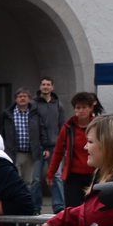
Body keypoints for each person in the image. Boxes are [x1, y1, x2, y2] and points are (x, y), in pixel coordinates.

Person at [0, 88, 54, 213]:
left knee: (30, 182)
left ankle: (29, 206)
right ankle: (16, 207)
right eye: (19, 96)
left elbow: (42, 131)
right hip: (14, 153)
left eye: (25, 96)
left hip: (31, 153)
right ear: (15, 99)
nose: (22, 98)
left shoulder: (35, 113)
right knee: (15, 181)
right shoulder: (8, 114)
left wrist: (46, 147)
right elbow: (1, 132)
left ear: (29, 99)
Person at [46, 92, 100, 208]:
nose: (81, 110)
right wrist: (51, 174)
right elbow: (58, 152)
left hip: (95, 175)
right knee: (72, 210)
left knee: (92, 209)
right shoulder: (68, 127)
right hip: (73, 176)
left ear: (91, 108)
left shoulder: (98, 126)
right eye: (78, 107)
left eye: (84, 107)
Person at [35, 77, 68, 209]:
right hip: (38, 145)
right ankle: (35, 206)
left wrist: (64, 144)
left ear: (52, 87)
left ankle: (59, 205)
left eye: (48, 85)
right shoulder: (34, 104)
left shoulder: (58, 105)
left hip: (55, 145)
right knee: (36, 179)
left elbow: (62, 125)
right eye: (43, 84)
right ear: (40, 86)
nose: (46, 87)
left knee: (57, 176)